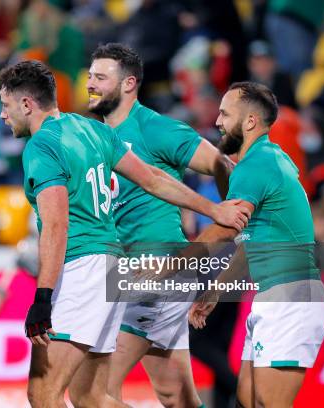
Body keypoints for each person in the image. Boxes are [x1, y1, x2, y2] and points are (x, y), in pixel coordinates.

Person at [0, 60, 250, 408]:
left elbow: (56, 226)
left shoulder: (42, 146)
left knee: (43, 392)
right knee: (94, 396)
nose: (2, 116)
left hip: (85, 271)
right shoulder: (93, 130)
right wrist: (212, 209)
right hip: (115, 267)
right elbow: (153, 179)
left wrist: (43, 296)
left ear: (27, 104)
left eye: (5, 106)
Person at [85, 42, 234, 407]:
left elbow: (223, 167)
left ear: (128, 84)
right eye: (90, 76)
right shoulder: (98, 136)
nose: (90, 84)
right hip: (131, 271)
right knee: (176, 395)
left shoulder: (155, 129)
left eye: (100, 78)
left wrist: (225, 229)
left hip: (157, 270)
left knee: (95, 390)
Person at [189, 82, 324, 407]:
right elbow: (250, 242)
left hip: (291, 299)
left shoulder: (255, 165)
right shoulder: (267, 157)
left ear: (250, 121)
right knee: (247, 401)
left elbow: (226, 229)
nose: (218, 122)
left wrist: (170, 266)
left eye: (225, 113)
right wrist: (217, 290)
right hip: (276, 295)